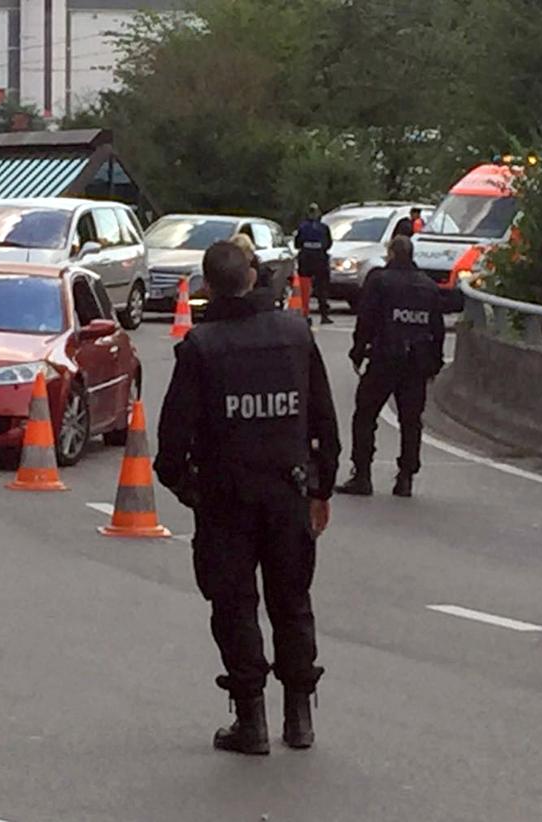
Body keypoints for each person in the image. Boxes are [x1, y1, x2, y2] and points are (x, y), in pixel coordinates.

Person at [155, 241, 341, 755]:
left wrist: (192, 492)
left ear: (207, 286)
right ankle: (299, 717)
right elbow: (324, 418)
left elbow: (172, 441)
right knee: (292, 601)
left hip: (227, 500)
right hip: (288, 493)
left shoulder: (201, 347)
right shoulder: (295, 334)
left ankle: (251, 720)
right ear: (253, 278)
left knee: (235, 606)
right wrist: (320, 487)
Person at [336, 235, 445, 498]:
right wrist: (434, 363)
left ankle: (362, 475)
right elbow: (437, 328)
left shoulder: (380, 281)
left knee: (365, 414)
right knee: (411, 420)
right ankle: (406, 477)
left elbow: (367, 319)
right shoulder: (428, 286)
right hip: (416, 362)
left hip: (385, 357)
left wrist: (358, 351)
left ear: (392, 254)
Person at [293, 203, 333, 324]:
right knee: (322, 288)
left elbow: (297, 244)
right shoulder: (324, 228)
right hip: (320, 260)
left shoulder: (302, 227)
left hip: (305, 260)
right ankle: (324, 315)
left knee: (305, 289)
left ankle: (305, 315)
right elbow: (328, 244)